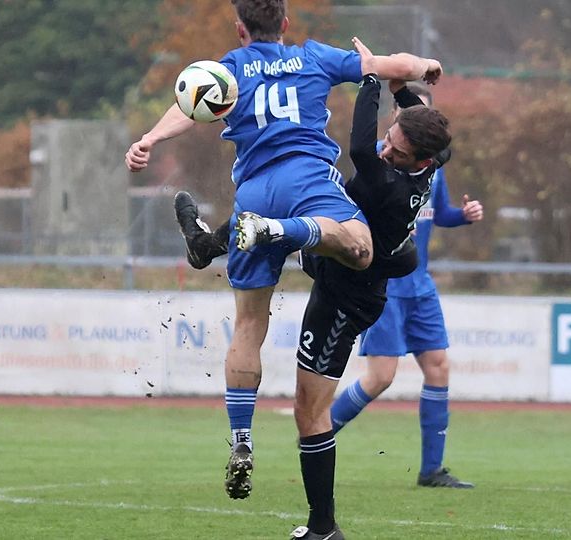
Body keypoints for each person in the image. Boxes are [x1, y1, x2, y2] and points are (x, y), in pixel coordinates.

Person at [125, 0, 443, 507]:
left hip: (252, 188)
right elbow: (396, 67)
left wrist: (149, 139)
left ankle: (241, 439)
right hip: (308, 182)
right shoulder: (314, 56)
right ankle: (272, 232)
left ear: (240, 28)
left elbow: (191, 103)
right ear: (286, 24)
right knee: (363, 248)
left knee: (249, 324)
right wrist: (425, 67)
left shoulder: (231, 67)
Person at [175, 59, 452, 540]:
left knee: (309, 409)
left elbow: (361, 145)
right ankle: (211, 245)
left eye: (398, 151)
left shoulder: (387, 181)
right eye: (392, 139)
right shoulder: (434, 155)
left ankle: (324, 528)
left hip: (348, 297)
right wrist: (401, 92)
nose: (387, 151)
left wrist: (369, 78)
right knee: (282, 203)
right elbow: (408, 131)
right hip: (331, 261)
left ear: (419, 163)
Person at [328, 84, 483, 490]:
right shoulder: (384, 158)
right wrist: (378, 80)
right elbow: (361, 152)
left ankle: (432, 470)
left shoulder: (432, 165)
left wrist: (462, 216)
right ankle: (317, 432)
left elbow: (437, 214)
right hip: (389, 281)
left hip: (421, 283)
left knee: (438, 368)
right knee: (381, 377)